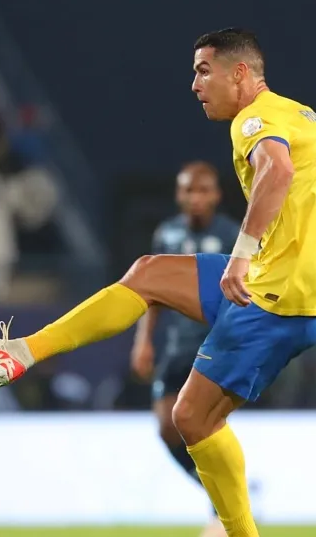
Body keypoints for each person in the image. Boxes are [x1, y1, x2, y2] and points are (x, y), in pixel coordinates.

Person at [0, 28, 316, 537]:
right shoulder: (298, 114)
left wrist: (240, 258)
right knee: (148, 273)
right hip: (290, 280)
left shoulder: (255, 120)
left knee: (190, 419)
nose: (194, 84)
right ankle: (22, 352)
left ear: (241, 74)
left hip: (279, 295)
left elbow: (275, 173)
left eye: (203, 70)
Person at [131, 161, 238, 537]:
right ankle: (220, 496)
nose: (195, 198)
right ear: (179, 195)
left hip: (214, 345)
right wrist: (143, 340)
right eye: (188, 191)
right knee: (166, 427)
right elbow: (153, 292)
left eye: (203, 190)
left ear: (216, 195)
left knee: (203, 426)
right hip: (175, 346)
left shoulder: (231, 234)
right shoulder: (167, 235)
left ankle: (221, 511)